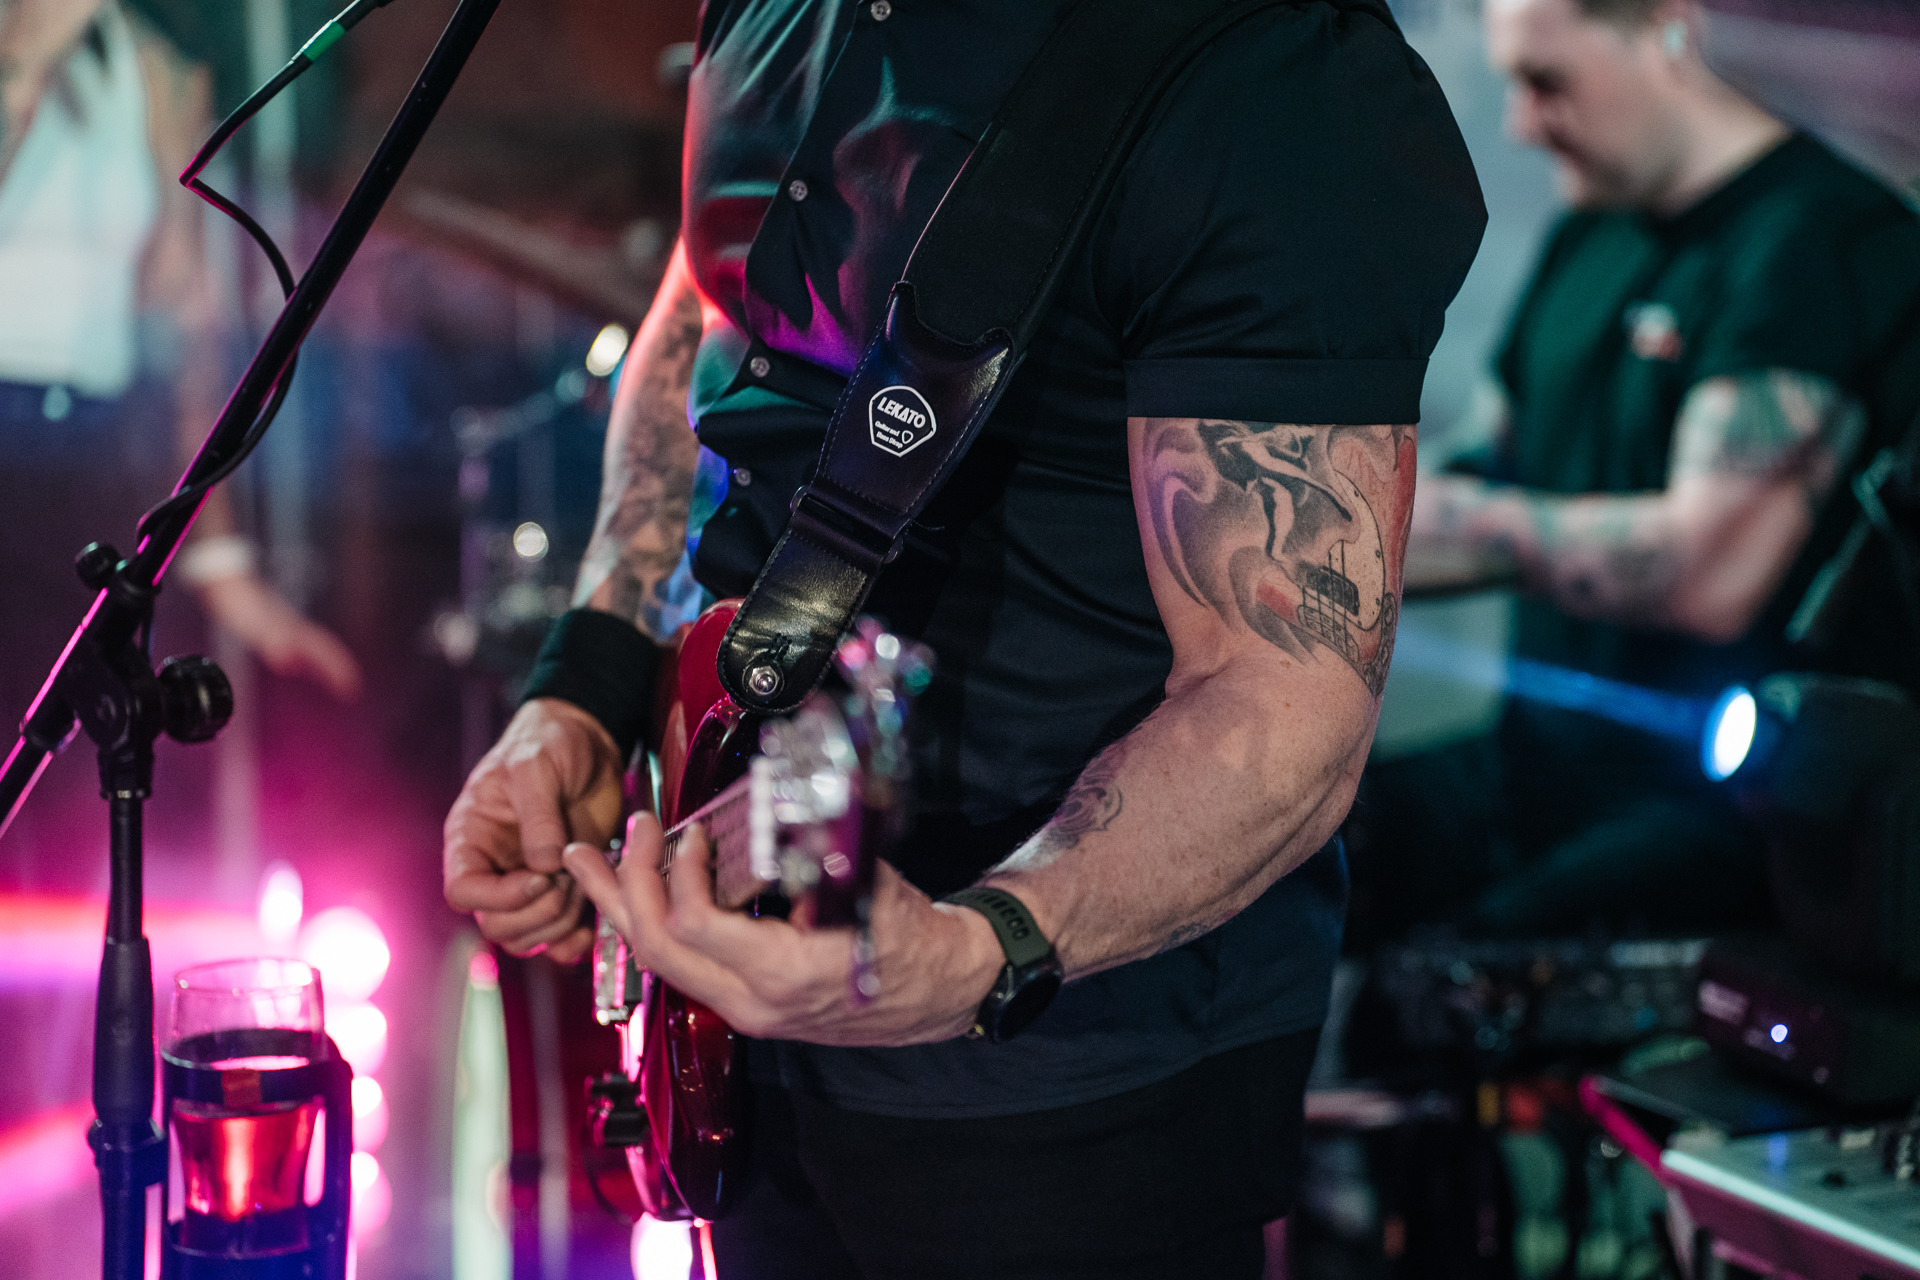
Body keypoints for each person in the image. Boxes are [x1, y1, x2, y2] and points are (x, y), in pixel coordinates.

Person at [442, 1, 1484, 1274]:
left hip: (1064, 1069)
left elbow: (1287, 699)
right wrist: (590, 677)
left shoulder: (1271, 82)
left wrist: (982, 948)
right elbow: (715, 292)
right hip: (747, 992)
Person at [1372, 0, 1920, 939]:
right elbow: (1486, 476)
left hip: (1724, 817)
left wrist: (1403, 520)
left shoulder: (1820, 242)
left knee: (1443, 983)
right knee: (1284, 858)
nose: (1521, 123)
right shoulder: (1591, 235)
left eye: (1548, 81)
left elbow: (1708, 576)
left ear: (1667, 31)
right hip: (1531, 763)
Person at [0, 0, 361, 869]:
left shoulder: (154, 69)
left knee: (80, 789)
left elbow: (183, 335)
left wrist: (221, 563)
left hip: (92, 459)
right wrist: (21, 70)